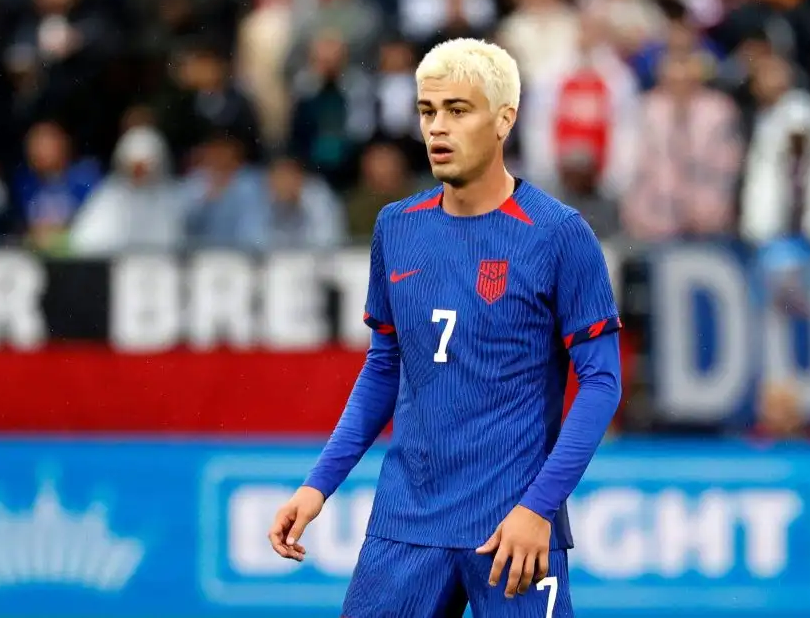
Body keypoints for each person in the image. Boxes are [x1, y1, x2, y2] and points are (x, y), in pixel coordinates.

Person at [267, 38, 623, 617]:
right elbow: (384, 366)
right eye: (428, 111)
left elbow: (602, 382)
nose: (437, 128)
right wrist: (317, 485)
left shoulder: (559, 233)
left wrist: (540, 508)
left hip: (513, 528)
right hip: (406, 523)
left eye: (459, 110)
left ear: (505, 119)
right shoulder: (396, 227)